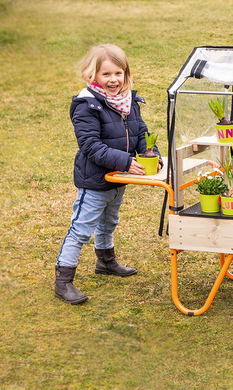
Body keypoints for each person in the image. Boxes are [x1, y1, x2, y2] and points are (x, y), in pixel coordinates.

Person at [54, 44, 161, 305]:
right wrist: (125, 161)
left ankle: (106, 262)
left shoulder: (129, 102)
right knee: (81, 229)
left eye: (118, 73)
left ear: (126, 73)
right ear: (92, 76)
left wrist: (151, 153)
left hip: (118, 180)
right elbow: (90, 146)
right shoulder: (87, 105)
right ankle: (63, 281)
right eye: (106, 74)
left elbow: (141, 133)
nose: (113, 80)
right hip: (95, 180)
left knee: (108, 222)